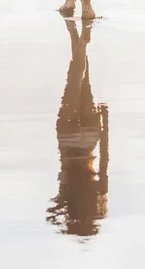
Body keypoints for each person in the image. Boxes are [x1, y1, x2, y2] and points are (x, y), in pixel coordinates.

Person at [46, 20, 109, 237]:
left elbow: (105, 160)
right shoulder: (67, 195)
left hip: (90, 138)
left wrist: (105, 125)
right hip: (68, 139)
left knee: (84, 78)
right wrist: (65, 226)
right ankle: (80, 35)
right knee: (75, 78)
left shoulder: (98, 199)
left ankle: (80, 35)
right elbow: (49, 215)